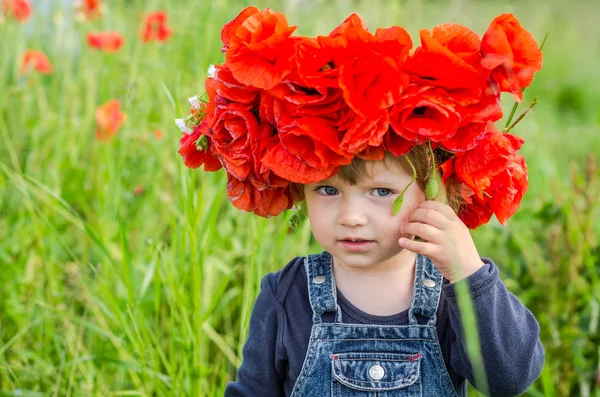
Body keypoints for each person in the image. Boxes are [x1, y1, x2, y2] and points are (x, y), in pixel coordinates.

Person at [175, 6, 546, 396]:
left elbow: (510, 379)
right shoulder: (287, 295)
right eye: (328, 191)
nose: (352, 216)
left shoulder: (448, 295)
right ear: (300, 188)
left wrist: (469, 274)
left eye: (382, 193)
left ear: (435, 194)